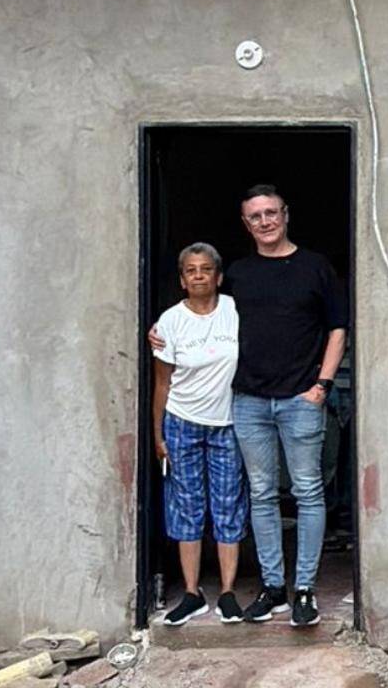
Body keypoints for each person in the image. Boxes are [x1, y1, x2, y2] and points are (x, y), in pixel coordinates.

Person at [151, 184, 348, 629]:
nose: (265, 222)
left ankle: (304, 589)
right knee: (261, 495)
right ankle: (273, 588)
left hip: (301, 399)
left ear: (285, 214)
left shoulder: (316, 267)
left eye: (271, 212)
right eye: (255, 216)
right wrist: (161, 331)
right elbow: (201, 310)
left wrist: (322, 385)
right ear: (246, 223)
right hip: (249, 402)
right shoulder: (238, 274)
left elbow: (338, 327)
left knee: (307, 492)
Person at [153, 242, 247, 626]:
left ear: (218, 276)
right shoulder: (170, 322)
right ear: (182, 279)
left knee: (228, 505)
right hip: (182, 421)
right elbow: (162, 383)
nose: (198, 276)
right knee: (187, 506)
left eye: (206, 269)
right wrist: (158, 435)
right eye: (190, 270)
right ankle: (192, 593)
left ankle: (227, 592)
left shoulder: (235, 311)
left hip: (228, 422)